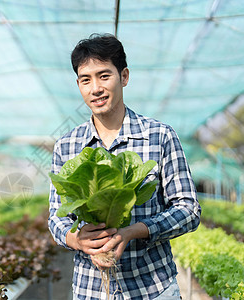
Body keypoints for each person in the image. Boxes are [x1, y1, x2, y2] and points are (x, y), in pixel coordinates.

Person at [48, 33, 201, 300]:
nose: (95, 88)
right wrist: (78, 240)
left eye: (104, 76)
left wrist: (132, 232)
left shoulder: (160, 136)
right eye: (86, 80)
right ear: (79, 85)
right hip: (91, 290)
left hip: (153, 288)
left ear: (124, 76)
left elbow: (188, 209)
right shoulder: (66, 146)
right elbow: (56, 217)